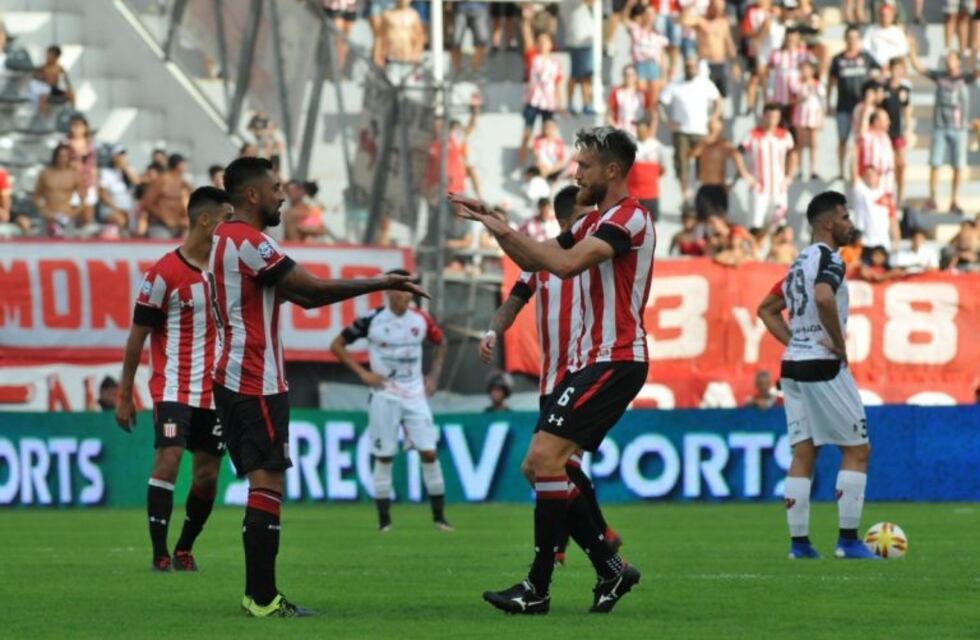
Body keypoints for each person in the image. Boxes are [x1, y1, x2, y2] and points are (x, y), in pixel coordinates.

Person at [210, 157, 428, 617]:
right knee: (268, 483)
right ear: (252, 195)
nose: (281, 196)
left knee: (263, 483)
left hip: (239, 375)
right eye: (274, 188)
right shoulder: (249, 242)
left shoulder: (226, 240)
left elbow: (298, 294)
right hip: (254, 377)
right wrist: (380, 282)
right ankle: (263, 598)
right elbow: (309, 293)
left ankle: (259, 594)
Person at [450, 126, 653, 614]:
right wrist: (497, 225)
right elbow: (534, 260)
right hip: (590, 361)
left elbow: (565, 266)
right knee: (540, 465)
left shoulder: (629, 219)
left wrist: (502, 229)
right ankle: (608, 570)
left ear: (612, 171)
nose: (576, 172)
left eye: (584, 165)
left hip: (616, 356)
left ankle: (538, 588)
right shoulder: (592, 223)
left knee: (546, 459)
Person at [481, 184, 621, 567]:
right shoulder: (543, 258)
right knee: (551, 466)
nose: (589, 225)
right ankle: (597, 541)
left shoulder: (601, 252)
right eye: (580, 219)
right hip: (551, 378)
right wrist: (493, 331)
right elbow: (513, 301)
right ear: (562, 221)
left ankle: (577, 546)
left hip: (585, 370)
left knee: (551, 463)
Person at [115, 187, 233, 573]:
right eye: (225, 220)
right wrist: (124, 393)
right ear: (204, 220)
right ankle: (159, 552)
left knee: (207, 476)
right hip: (173, 387)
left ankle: (184, 547)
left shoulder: (228, 273)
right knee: (167, 460)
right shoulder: (164, 273)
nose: (230, 229)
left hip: (216, 393)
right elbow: (137, 337)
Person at [757, 190, 877, 561]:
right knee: (857, 450)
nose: (850, 224)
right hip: (822, 365)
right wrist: (838, 345)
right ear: (828, 223)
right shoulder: (831, 259)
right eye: (845, 217)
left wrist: (797, 340)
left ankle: (800, 545)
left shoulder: (798, 263)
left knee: (803, 452)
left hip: (792, 365)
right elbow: (824, 297)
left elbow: (766, 309)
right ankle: (848, 541)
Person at [331, 270, 451, 533]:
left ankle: (440, 519)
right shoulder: (372, 320)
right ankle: (384, 522)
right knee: (384, 456)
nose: (404, 295)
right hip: (384, 395)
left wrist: (434, 376)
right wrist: (363, 373)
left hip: (415, 394)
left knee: (429, 452)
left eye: (408, 289)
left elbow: (441, 343)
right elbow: (337, 345)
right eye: (399, 289)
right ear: (388, 292)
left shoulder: (421, 319)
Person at [907, 37, 977, 214]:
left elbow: (977, 72)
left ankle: (954, 199)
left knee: (958, 165)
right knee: (935, 163)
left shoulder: (964, 77)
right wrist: (912, 49)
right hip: (940, 125)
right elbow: (918, 67)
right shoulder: (940, 76)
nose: (948, 62)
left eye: (951, 59)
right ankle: (932, 198)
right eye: (947, 59)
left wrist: (975, 51)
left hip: (959, 127)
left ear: (958, 61)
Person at [659, 56, 722, 198]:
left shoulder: (705, 84)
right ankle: (684, 191)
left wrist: (714, 117)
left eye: (693, 66)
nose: (690, 69)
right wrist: (667, 121)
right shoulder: (675, 84)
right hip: (681, 130)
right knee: (681, 161)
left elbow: (718, 101)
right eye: (688, 66)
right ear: (684, 68)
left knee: (703, 161)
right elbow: (660, 103)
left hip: (701, 130)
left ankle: (700, 188)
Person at [828, 26, 880, 181]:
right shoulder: (838, 59)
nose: (852, 41)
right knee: (843, 139)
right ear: (845, 39)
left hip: (861, 108)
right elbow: (831, 82)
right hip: (843, 105)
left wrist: (874, 93)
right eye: (849, 37)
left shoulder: (866, 57)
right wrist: (828, 101)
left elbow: (881, 71)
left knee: (861, 141)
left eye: (855, 38)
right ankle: (841, 171)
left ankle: (861, 171)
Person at [740, 104, 796, 229]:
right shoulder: (752, 135)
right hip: (759, 187)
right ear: (764, 116)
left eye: (776, 117)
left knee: (779, 224)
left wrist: (790, 176)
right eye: (770, 116)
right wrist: (745, 175)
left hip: (779, 187)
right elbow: (737, 154)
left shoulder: (785, 135)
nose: (772, 120)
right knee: (755, 224)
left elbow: (793, 155)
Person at [518, 32, 564, 169]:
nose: (543, 45)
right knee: (527, 131)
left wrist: (560, 103)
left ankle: (546, 162)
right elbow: (527, 41)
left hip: (548, 102)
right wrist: (526, 24)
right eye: (540, 42)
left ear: (550, 44)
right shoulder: (533, 58)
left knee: (548, 132)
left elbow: (558, 83)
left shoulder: (555, 64)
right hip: (533, 100)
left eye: (546, 41)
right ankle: (521, 162)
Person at [683, 0, 740, 99]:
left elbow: (729, 44)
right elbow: (682, 20)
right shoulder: (701, 21)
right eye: (716, 6)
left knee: (721, 95)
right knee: (705, 95)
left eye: (720, 7)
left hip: (720, 63)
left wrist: (735, 64)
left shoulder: (723, 22)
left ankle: (720, 114)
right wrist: (691, 6)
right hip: (705, 63)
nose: (718, 9)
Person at [765, 27, 815, 131]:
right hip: (780, 99)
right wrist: (769, 94)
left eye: (793, 39)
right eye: (789, 39)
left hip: (798, 101)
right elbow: (769, 75)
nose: (791, 42)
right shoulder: (777, 54)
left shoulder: (804, 55)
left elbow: (813, 73)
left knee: (796, 131)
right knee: (780, 129)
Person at [623, 0, 669, 108]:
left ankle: (653, 124)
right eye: (647, 14)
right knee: (641, 99)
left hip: (654, 66)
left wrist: (664, 76)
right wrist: (629, 6)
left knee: (653, 102)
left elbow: (662, 56)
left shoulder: (658, 34)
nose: (650, 17)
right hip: (640, 66)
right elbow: (624, 20)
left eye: (652, 14)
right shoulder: (636, 29)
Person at [33, 144, 86, 236]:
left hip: (66, 216)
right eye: (60, 156)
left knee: (67, 247)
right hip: (48, 216)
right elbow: (36, 195)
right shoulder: (45, 173)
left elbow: (83, 198)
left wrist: (72, 213)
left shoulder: (74, 175)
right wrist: (43, 210)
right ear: (55, 156)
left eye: (65, 156)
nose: (62, 159)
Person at [691, 116, 754, 191]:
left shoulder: (723, 144)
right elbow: (692, 154)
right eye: (712, 129)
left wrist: (744, 174)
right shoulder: (702, 143)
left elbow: (736, 155)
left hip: (719, 187)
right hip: (704, 187)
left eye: (715, 130)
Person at [881, 57, 912, 204]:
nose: (896, 72)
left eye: (899, 69)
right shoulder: (883, 88)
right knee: (888, 164)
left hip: (898, 131)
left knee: (901, 164)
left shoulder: (904, 90)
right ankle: (888, 192)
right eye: (894, 68)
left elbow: (907, 111)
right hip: (885, 133)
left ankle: (900, 194)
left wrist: (907, 129)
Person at [140, 154, 192, 239]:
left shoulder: (183, 182)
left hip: (179, 226)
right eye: (184, 164)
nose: (186, 167)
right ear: (178, 165)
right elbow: (146, 202)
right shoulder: (162, 180)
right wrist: (165, 218)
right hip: (159, 226)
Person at [852, 165, 899, 256]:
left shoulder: (886, 197)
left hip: (883, 244)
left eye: (872, 175)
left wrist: (896, 241)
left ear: (878, 177)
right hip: (866, 243)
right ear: (863, 178)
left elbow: (893, 220)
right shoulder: (861, 192)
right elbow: (853, 175)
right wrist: (853, 154)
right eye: (867, 175)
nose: (870, 177)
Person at [628, 115, 669, 219]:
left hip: (650, 194)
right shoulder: (629, 145)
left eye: (639, 126)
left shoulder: (657, 146)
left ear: (647, 128)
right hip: (632, 194)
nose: (637, 129)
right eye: (636, 126)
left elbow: (663, 169)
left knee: (650, 224)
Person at [791, 60, 825, 181]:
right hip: (801, 112)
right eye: (803, 69)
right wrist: (800, 99)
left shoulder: (817, 84)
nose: (805, 72)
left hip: (813, 113)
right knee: (800, 142)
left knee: (812, 143)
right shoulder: (798, 84)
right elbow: (793, 99)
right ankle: (799, 169)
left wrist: (821, 118)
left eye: (807, 69)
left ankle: (813, 169)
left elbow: (821, 101)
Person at [560, 0, 596, 115]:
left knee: (585, 75)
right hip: (580, 42)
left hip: (581, 41)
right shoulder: (571, 3)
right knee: (579, 75)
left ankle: (585, 103)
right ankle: (576, 104)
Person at [381, 0, 426, 85]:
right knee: (391, 88)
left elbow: (420, 37)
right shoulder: (387, 14)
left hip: (408, 60)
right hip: (392, 60)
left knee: (408, 89)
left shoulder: (413, 15)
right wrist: (380, 56)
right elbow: (381, 37)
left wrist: (416, 54)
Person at [98, 145, 139, 233]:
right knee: (121, 220)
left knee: (138, 223)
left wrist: (125, 169)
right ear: (114, 158)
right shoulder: (106, 173)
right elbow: (103, 195)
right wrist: (118, 209)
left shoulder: (130, 171)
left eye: (123, 156)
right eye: (119, 156)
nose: (122, 158)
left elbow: (137, 183)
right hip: (111, 208)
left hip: (129, 209)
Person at [856, 109, 896, 198]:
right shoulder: (869, 138)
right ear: (876, 121)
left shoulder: (885, 138)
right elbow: (869, 168)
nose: (889, 123)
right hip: (875, 192)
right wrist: (874, 193)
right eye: (886, 120)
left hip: (886, 188)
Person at [607, 65, 649, 138]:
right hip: (622, 131)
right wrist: (616, 129)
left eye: (632, 75)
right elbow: (609, 114)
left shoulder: (643, 94)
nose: (629, 78)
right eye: (627, 75)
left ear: (636, 76)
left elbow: (652, 114)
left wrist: (648, 132)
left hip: (640, 133)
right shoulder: (617, 93)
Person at [30, 45, 74, 114]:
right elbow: (32, 76)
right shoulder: (43, 67)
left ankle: (73, 113)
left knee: (72, 94)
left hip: (55, 89)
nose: (48, 57)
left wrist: (69, 89)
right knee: (43, 97)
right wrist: (38, 76)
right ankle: (41, 116)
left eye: (50, 55)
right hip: (46, 89)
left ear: (56, 57)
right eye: (48, 54)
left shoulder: (60, 68)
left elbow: (67, 81)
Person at [861, 3, 908, 69]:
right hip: (875, 68)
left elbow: (902, 54)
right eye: (882, 15)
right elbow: (865, 51)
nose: (884, 18)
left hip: (894, 68)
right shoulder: (871, 30)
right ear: (879, 16)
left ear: (892, 16)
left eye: (887, 15)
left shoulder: (898, 32)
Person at [451, 2, 489, 75]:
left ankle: (476, 70)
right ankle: (456, 71)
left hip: (480, 8)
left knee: (481, 40)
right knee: (455, 41)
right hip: (460, 8)